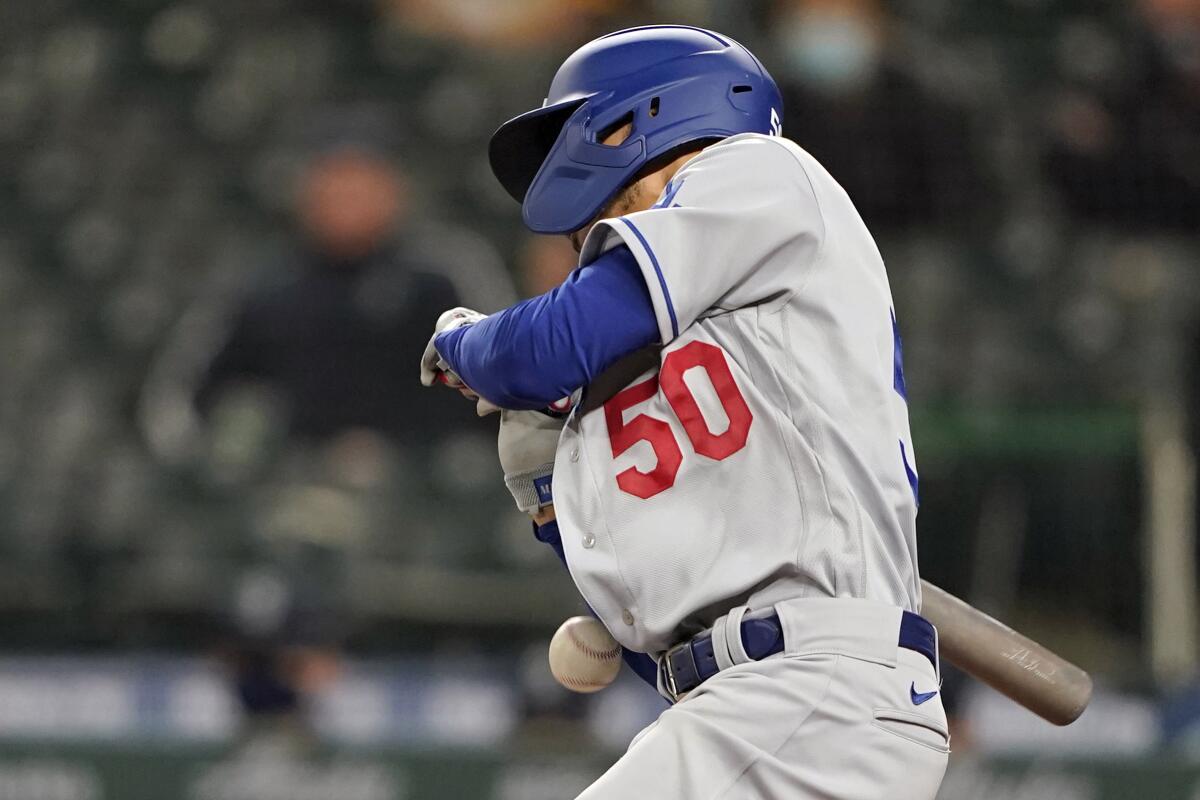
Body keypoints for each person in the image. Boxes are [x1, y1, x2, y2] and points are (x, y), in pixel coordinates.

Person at [421, 25, 947, 798]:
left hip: (813, 689)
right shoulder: (661, 365)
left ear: (636, 118)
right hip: (756, 704)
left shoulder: (759, 172)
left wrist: (462, 341)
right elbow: (648, 638)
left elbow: (537, 349)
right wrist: (547, 490)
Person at [195, 145, 470, 448]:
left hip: (419, 475)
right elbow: (198, 392)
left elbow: (492, 377)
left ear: (392, 193)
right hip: (290, 473)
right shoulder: (263, 285)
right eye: (334, 186)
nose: (346, 201)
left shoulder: (438, 278)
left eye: (360, 187)